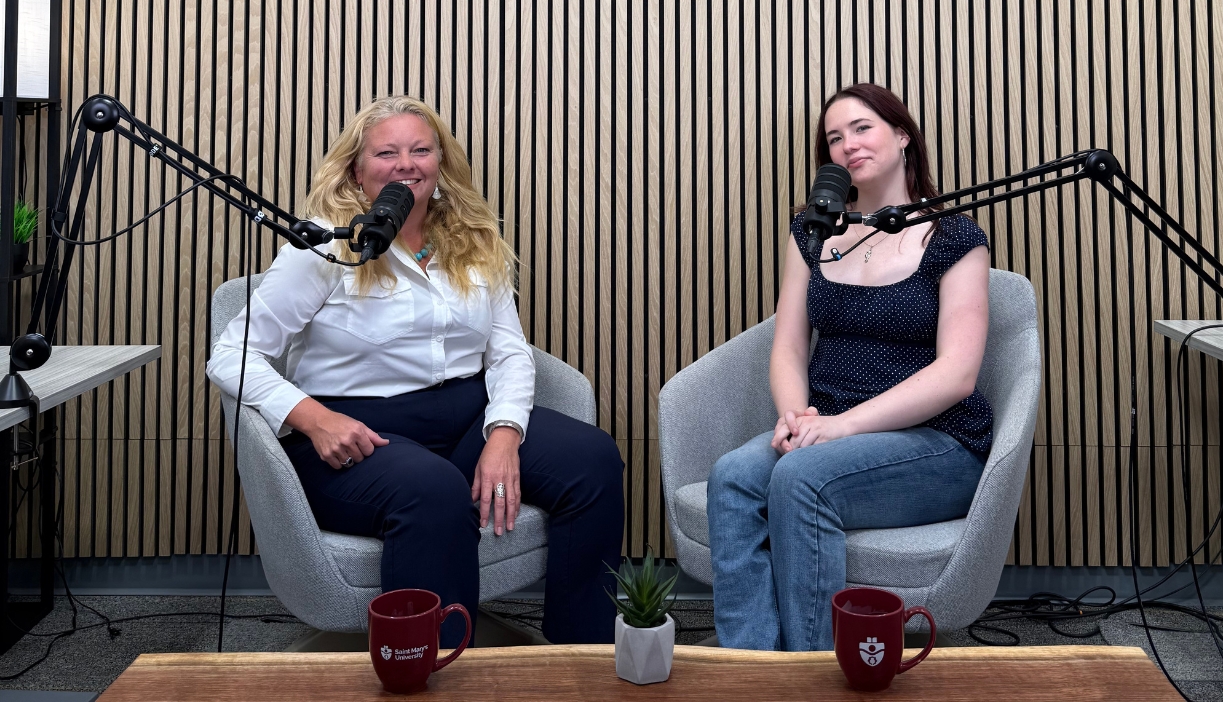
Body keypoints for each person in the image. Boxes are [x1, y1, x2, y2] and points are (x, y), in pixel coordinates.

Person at [206, 96, 623, 646]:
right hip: (355, 436)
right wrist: (311, 418)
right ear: (357, 171)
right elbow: (232, 355)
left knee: (592, 460)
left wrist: (503, 433)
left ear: (440, 163)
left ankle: (578, 656)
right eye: (387, 153)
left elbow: (509, 352)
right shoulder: (325, 246)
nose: (406, 164)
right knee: (433, 492)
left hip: (466, 420)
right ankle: (440, 671)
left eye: (420, 150)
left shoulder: (473, 240)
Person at [706, 83, 993, 651]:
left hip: (934, 442)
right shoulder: (814, 232)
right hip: (825, 428)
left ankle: (810, 674)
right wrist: (796, 415)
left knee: (799, 478)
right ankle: (752, 670)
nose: (847, 145)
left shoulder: (955, 236)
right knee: (733, 477)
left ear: (902, 135)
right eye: (834, 138)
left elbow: (957, 373)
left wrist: (842, 427)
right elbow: (787, 344)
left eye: (862, 128)